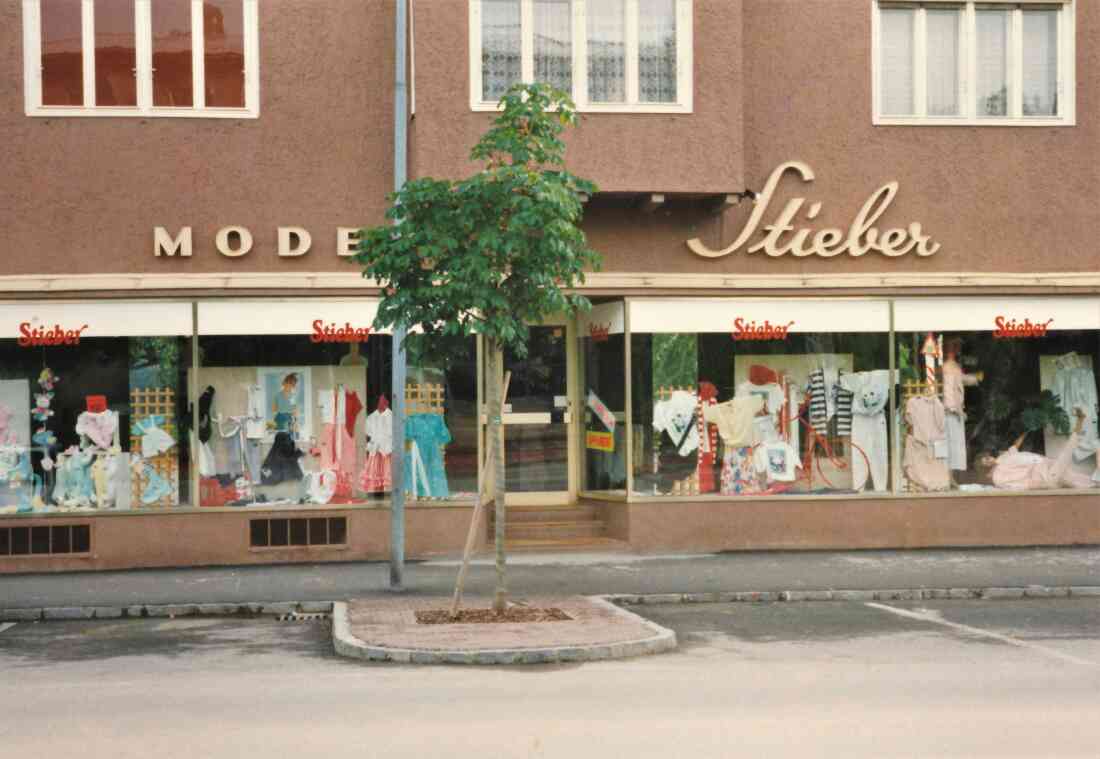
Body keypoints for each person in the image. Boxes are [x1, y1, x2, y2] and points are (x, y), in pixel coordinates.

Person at [978, 408, 1097, 491]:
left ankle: (1095, 483)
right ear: (984, 468)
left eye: (987, 457)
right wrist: (1038, 482)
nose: (989, 460)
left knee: (1078, 479)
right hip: (1043, 477)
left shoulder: (1002, 458)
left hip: (1045, 466)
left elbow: (1015, 446)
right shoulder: (997, 477)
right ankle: (1080, 420)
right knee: (1066, 453)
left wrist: (1026, 431)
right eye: (986, 462)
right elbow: (1018, 486)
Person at [941, 337, 982, 480]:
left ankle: (950, 476)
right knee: (951, 444)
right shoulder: (948, 366)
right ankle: (948, 476)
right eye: (955, 347)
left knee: (954, 445)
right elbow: (948, 389)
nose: (957, 350)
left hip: (955, 411)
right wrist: (953, 408)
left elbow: (960, 379)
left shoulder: (953, 366)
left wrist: (975, 378)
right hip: (951, 411)